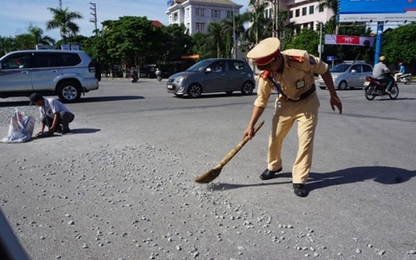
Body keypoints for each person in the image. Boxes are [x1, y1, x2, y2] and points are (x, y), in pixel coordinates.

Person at [243, 37, 342, 197]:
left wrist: (333, 95)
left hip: (307, 102)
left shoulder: (300, 58)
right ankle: (274, 166)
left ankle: (299, 179)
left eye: (268, 66)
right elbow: (261, 101)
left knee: (305, 141)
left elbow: (323, 69)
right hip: (285, 103)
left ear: (275, 59)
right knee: (274, 137)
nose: (267, 70)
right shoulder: (267, 74)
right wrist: (250, 126)